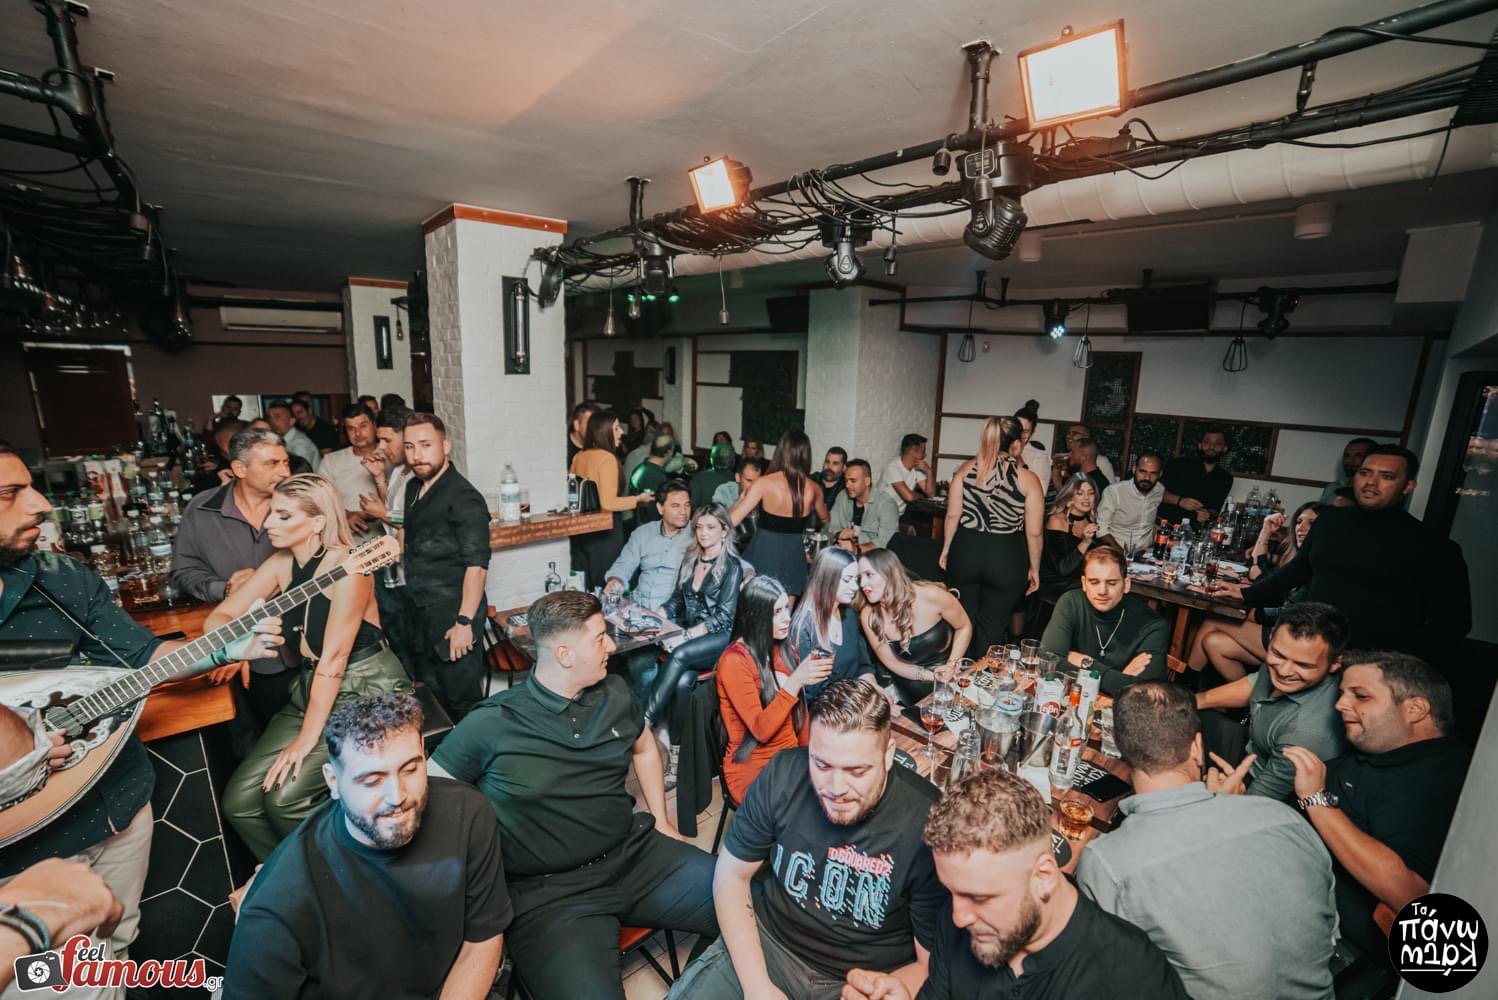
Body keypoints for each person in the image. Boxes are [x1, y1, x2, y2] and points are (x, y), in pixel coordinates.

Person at [0, 444, 281, 1000]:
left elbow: (143, 658)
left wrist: (222, 648)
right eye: (10, 494)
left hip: (118, 805)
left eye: (31, 486)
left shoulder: (62, 577)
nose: (39, 504)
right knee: (51, 985)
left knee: (114, 950)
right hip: (25, 846)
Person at [430, 591, 718, 999]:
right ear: (564, 655)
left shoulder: (616, 691)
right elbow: (430, 796)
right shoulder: (492, 723)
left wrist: (662, 819)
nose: (612, 646)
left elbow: (644, 748)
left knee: (757, 906)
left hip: (635, 856)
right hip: (551, 897)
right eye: (600, 638)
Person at [672, 680, 946, 1000]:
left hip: (862, 978)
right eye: (822, 764)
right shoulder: (783, 774)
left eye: (857, 771)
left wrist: (887, 989)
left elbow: (930, 962)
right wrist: (757, 986)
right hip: (770, 947)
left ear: (888, 755)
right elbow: (732, 875)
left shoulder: (928, 819)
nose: (836, 788)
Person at [223, 693, 508, 997]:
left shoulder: (467, 812)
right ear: (333, 781)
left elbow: (482, 937)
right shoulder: (278, 902)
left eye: (410, 769)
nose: (397, 797)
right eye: (372, 780)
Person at [1075, 682, 1338, 1000]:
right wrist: (1223, 808)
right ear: (1197, 746)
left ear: (1119, 744)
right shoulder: (1288, 819)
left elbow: (1108, 974)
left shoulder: (1108, 863)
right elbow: (1328, 934)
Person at [843, 768, 1189, 1000]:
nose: (959, 916)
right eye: (952, 892)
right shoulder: (959, 923)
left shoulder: (1131, 977)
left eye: (980, 897)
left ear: (1044, 876)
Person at [216, 474, 413, 861]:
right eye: (271, 512)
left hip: (364, 687)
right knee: (238, 803)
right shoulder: (281, 563)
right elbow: (220, 617)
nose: (268, 523)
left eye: (283, 515)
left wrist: (306, 739)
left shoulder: (350, 567)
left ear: (317, 521)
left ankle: (342, 876)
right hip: (311, 686)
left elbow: (335, 659)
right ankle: (289, 878)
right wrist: (239, 646)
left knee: (283, 800)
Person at [1284, 652, 1471, 969]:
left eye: (1360, 696)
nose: (1340, 705)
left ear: (1415, 709)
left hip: (1333, 947)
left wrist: (1315, 799)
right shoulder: (1374, 753)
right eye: (1343, 693)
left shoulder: (1440, 778)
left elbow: (1410, 894)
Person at [1222, 445, 1470, 667]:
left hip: (1367, 661)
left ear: (1408, 486)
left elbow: (1452, 625)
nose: (1371, 482)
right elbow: (1297, 569)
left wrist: (1391, 667)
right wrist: (1246, 594)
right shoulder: (1329, 520)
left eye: (1387, 476)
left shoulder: (1432, 545)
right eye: (1365, 473)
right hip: (1307, 643)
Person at [170, 427, 300, 731]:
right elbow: (182, 572)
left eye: (285, 462)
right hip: (236, 651)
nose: (284, 471)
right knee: (252, 737)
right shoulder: (202, 510)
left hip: (299, 646)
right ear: (240, 469)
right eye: (271, 464)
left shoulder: (299, 505)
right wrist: (225, 588)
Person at [1195, 602, 1350, 803]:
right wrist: (1193, 701)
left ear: (1335, 663)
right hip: (1252, 751)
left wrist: (1222, 798)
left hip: (1259, 790)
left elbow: (1255, 805)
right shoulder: (1287, 660)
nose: (1284, 671)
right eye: (1278, 655)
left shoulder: (1305, 736)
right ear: (1271, 638)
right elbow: (1255, 683)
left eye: (1303, 665)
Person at [398, 413, 491, 720]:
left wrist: (464, 624)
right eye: (410, 446)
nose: (416, 455)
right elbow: (410, 533)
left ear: (446, 446)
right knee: (431, 695)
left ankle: (473, 752)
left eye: (426, 445)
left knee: (462, 699)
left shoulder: (464, 498)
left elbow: (477, 567)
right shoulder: (413, 487)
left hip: (454, 614)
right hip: (420, 611)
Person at [645, 503, 745, 788]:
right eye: (699, 527)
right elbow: (678, 599)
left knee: (678, 654)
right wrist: (659, 614)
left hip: (720, 638)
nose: (703, 533)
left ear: (724, 531)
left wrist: (686, 637)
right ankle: (676, 762)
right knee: (681, 684)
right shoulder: (690, 558)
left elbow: (724, 618)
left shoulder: (732, 567)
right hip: (692, 639)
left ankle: (644, 721)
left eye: (711, 527)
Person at [715, 576, 832, 803]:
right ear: (755, 616)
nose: (786, 618)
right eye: (776, 612)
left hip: (789, 756)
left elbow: (800, 716)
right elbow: (761, 731)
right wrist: (795, 681)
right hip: (754, 766)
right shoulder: (734, 661)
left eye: (786, 608)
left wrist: (810, 755)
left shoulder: (783, 649)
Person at [940, 416, 1043, 651]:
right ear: (1015, 444)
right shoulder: (1028, 479)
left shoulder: (966, 469)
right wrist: (1035, 567)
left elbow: (953, 515)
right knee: (993, 625)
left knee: (962, 620)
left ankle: (957, 666)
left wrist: (946, 548)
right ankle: (981, 670)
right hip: (1005, 556)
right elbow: (1035, 532)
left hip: (965, 551)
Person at [1187, 501, 1319, 682]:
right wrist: (1266, 530)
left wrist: (1251, 613)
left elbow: (1291, 614)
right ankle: (1246, 701)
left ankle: (1181, 685)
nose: (1301, 529)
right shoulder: (1295, 560)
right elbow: (1257, 573)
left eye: (1312, 523)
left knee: (1213, 619)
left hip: (1295, 638)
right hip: (1280, 629)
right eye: (1299, 522)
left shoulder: (1318, 566)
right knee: (1214, 642)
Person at [1040, 546, 1168, 697]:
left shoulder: (1153, 625)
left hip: (1117, 706)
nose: (1102, 591)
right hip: (1070, 697)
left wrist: (1087, 663)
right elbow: (1049, 662)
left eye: (1112, 583)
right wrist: (1120, 678)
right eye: (1094, 582)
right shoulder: (1071, 602)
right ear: (1084, 583)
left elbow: (1148, 693)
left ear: (1126, 584)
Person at [356, 406, 421, 684]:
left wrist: (382, 513)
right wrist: (380, 478)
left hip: (411, 570)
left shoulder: (420, 476)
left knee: (413, 642)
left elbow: (419, 521)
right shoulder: (398, 472)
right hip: (393, 566)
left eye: (386, 440)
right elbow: (392, 508)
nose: (381, 447)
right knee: (398, 639)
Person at [858, 548, 971, 706]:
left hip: (954, 671)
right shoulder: (869, 615)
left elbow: (964, 626)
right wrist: (933, 676)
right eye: (859, 577)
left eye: (869, 575)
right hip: (910, 681)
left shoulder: (931, 595)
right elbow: (892, 663)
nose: (862, 584)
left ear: (889, 573)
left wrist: (951, 666)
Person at [730, 430, 828, 597]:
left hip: (763, 553)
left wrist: (741, 499)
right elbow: (825, 519)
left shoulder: (763, 483)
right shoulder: (814, 488)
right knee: (785, 611)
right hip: (794, 558)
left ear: (780, 452)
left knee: (756, 606)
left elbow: (731, 520)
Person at [571, 409, 655, 588]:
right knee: (606, 588)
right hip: (604, 532)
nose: (622, 432)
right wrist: (637, 500)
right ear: (604, 431)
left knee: (582, 587)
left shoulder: (579, 456)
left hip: (581, 531)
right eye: (616, 428)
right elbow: (608, 503)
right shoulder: (607, 458)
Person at [784, 546, 875, 702]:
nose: (855, 587)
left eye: (855, 580)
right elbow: (808, 694)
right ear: (827, 579)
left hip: (854, 701)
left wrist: (875, 690)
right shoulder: (804, 627)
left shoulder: (849, 615)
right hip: (825, 711)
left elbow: (863, 665)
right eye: (847, 580)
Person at [604, 479, 693, 612]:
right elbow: (624, 564)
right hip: (638, 606)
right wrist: (616, 581)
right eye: (676, 506)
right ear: (660, 508)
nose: (683, 512)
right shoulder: (643, 533)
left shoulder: (698, 535)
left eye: (687, 505)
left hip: (673, 612)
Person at [316, 403, 382, 541]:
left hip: (385, 529)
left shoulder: (391, 456)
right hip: (345, 531)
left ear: (375, 425)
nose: (358, 433)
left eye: (363, 426)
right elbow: (319, 498)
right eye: (351, 428)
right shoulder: (331, 461)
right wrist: (345, 514)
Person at [1036, 474, 1097, 601]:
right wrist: (1085, 542)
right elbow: (1063, 568)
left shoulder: (1090, 520)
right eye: (1080, 493)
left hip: (1080, 581)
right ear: (1069, 497)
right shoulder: (1057, 521)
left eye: (1091, 493)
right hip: (1056, 584)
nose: (1086, 497)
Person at [1155, 427, 1232, 528]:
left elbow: (1215, 510)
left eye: (1217, 444)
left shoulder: (1225, 478)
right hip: (1163, 525)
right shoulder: (1178, 464)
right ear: (1200, 445)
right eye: (1207, 442)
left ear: (1224, 448)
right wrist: (1180, 501)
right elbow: (1156, 492)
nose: (1211, 447)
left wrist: (1207, 514)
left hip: (1193, 531)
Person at [1094, 452, 1163, 555]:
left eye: (1153, 473)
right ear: (1134, 469)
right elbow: (1101, 529)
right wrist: (1122, 555)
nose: (1147, 478)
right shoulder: (1115, 492)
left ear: (1160, 474)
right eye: (1142, 471)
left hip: (1148, 554)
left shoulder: (1159, 490)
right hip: (1117, 551)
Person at [828, 458, 900, 553]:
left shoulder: (887, 505)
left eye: (853, 481)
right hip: (844, 554)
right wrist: (839, 534)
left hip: (875, 558)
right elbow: (830, 527)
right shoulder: (842, 496)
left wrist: (856, 549)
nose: (847, 485)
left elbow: (885, 542)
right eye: (846, 481)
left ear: (867, 481)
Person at [879, 432, 935, 514]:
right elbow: (909, 497)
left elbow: (931, 494)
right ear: (913, 451)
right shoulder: (893, 468)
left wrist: (929, 472)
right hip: (880, 514)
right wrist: (920, 496)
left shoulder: (916, 468)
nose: (925, 455)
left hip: (897, 514)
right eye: (923, 452)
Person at [1051, 423, 1117, 487]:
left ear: (1086, 437)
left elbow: (1110, 490)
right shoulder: (1069, 461)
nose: (1068, 436)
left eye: (1074, 433)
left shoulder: (1101, 461)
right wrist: (1056, 470)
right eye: (1068, 433)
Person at [629, 434, 676, 522]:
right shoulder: (657, 477)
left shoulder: (639, 468)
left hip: (637, 522)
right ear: (669, 452)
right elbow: (653, 510)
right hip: (650, 526)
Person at [1320, 436, 1378, 505]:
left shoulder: (1377, 491)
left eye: (1358, 456)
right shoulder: (1332, 487)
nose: (1350, 461)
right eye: (1347, 455)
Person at [265, 400, 320, 471]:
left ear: (291, 421)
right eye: (269, 417)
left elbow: (299, 473)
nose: (271, 421)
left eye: (277, 416)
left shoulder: (300, 444)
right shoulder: (278, 441)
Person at [1013, 401, 1051, 485]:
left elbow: (1041, 490)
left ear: (1032, 433)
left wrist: (1018, 458)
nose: (1020, 434)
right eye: (1017, 428)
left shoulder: (1039, 457)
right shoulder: (1001, 449)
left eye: (1025, 431)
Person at [691, 442, 737, 510]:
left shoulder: (700, 477)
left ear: (712, 459)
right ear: (733, 460)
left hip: (706, 515)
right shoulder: (739, 479)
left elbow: (693, 504)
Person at [820, 446, 848, 511]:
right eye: (827, 462)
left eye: (835, 463)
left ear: (844, 467)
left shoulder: (846, 489)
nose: (829, 467)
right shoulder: (812, 480)